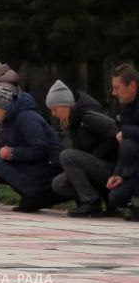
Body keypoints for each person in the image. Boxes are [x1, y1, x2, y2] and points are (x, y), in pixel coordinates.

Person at [46, 80, 119, 217]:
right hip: (96, 167)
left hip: (110, 168)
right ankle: (92, 202)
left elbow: (115, 136)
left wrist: (94, 156)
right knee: (59, 183)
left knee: (67, 155)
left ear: (65, 104)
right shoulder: (72, 122)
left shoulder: (88, 117)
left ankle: (91, 201)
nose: (53, 114)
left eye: (55, 109)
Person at [0, 84, 62, 212]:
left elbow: (41, 150)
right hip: (35, 165)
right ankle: (31, 196)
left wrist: (13, 153)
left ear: (2, 107)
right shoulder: (7, 121)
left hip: (49, 167)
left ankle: (36, 194)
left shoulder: (26, 118)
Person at [107, 63, 139, 220]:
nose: (114, 93)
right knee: (116, 196)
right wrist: (118, 173)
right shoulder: (126, 107)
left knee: (129, 145)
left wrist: (125, 132)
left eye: (117, 88)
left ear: (132, 85)